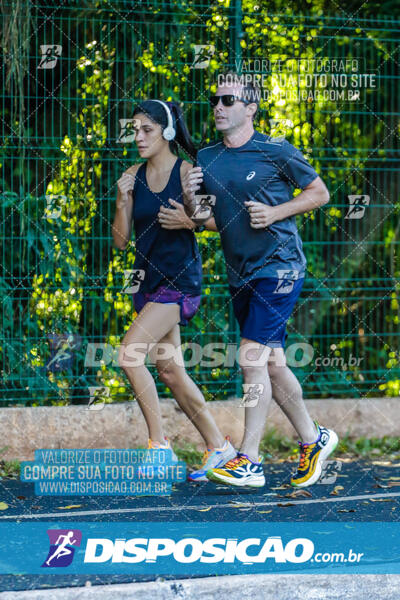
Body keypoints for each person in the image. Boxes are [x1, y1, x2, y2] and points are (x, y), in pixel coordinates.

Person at [180, 72, 338, 488]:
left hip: (281, 266)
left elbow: (319, 193)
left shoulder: (275, 149)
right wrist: (191, 198)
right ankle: (314, 438)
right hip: (241, 271)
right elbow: (208, 221)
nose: (218, 106)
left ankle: (249, 458)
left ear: (251, 108)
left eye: (229, 100)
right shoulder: (208, 157)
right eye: (215, 99)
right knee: (271, 360)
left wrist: (276, 212)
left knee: (251, 357)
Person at [112, 99, 236, 481]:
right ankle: (221, 449)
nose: (138, 136)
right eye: (134, 130)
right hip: (147, 284)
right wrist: (123, 199)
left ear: (166, 132)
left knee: (130, 356)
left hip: (179, 283)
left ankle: (158, 446)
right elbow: (119, 242)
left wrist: (191, 220)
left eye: (146, 129)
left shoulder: (188, 172)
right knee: (169, 371)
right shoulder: (132, 174)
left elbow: (216, 222)